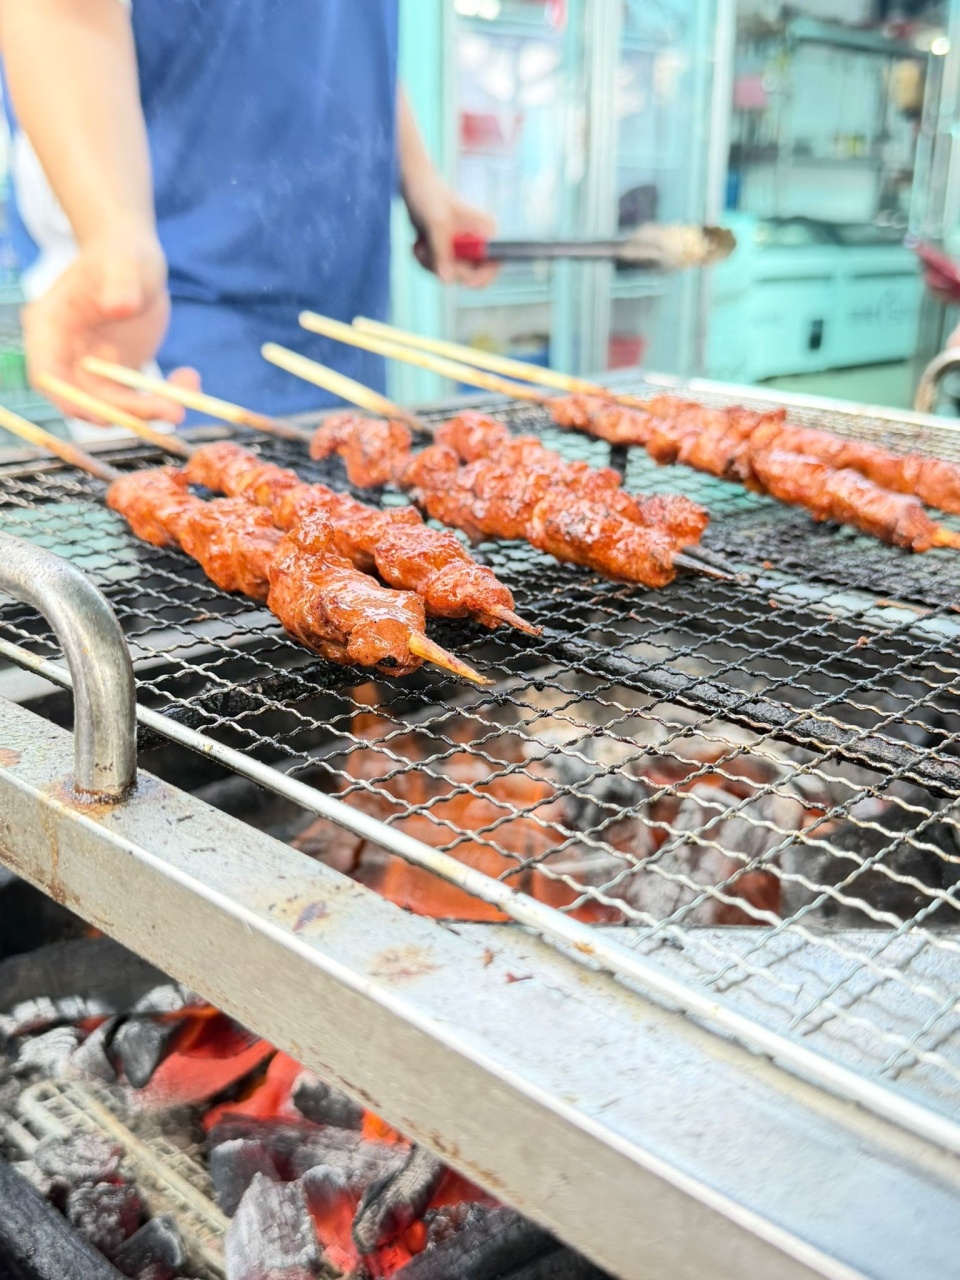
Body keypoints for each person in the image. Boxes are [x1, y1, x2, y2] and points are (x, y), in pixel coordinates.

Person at [0, 1, 497, 426]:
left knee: (353, 488)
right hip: (183, 301)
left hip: (347, 306)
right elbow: (61, 13)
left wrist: (421, 180)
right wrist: (115, 237)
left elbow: (350, 34)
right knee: (211, 496)